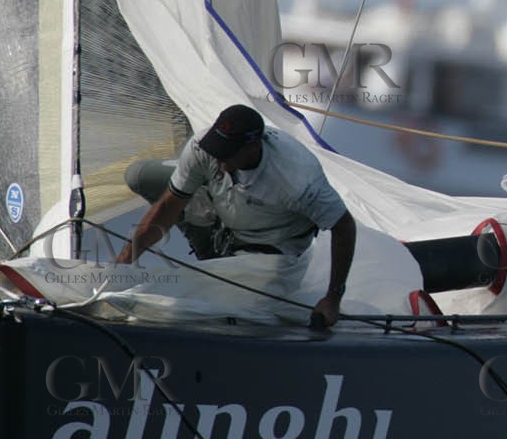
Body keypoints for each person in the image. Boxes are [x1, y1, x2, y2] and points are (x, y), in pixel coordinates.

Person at [114, 104, 357, 329]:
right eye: (216, 149)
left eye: (227, 153)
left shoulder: (298, 179)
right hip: (222, 217)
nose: (219, 158)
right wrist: (122, 263)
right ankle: (210, 256)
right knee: (140, 176)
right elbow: (168, 206)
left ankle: (222, 273)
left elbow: (344, 226)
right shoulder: (204, 147)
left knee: (235, 309)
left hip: (271, 248)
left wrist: (333, 297)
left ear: (253, 146)